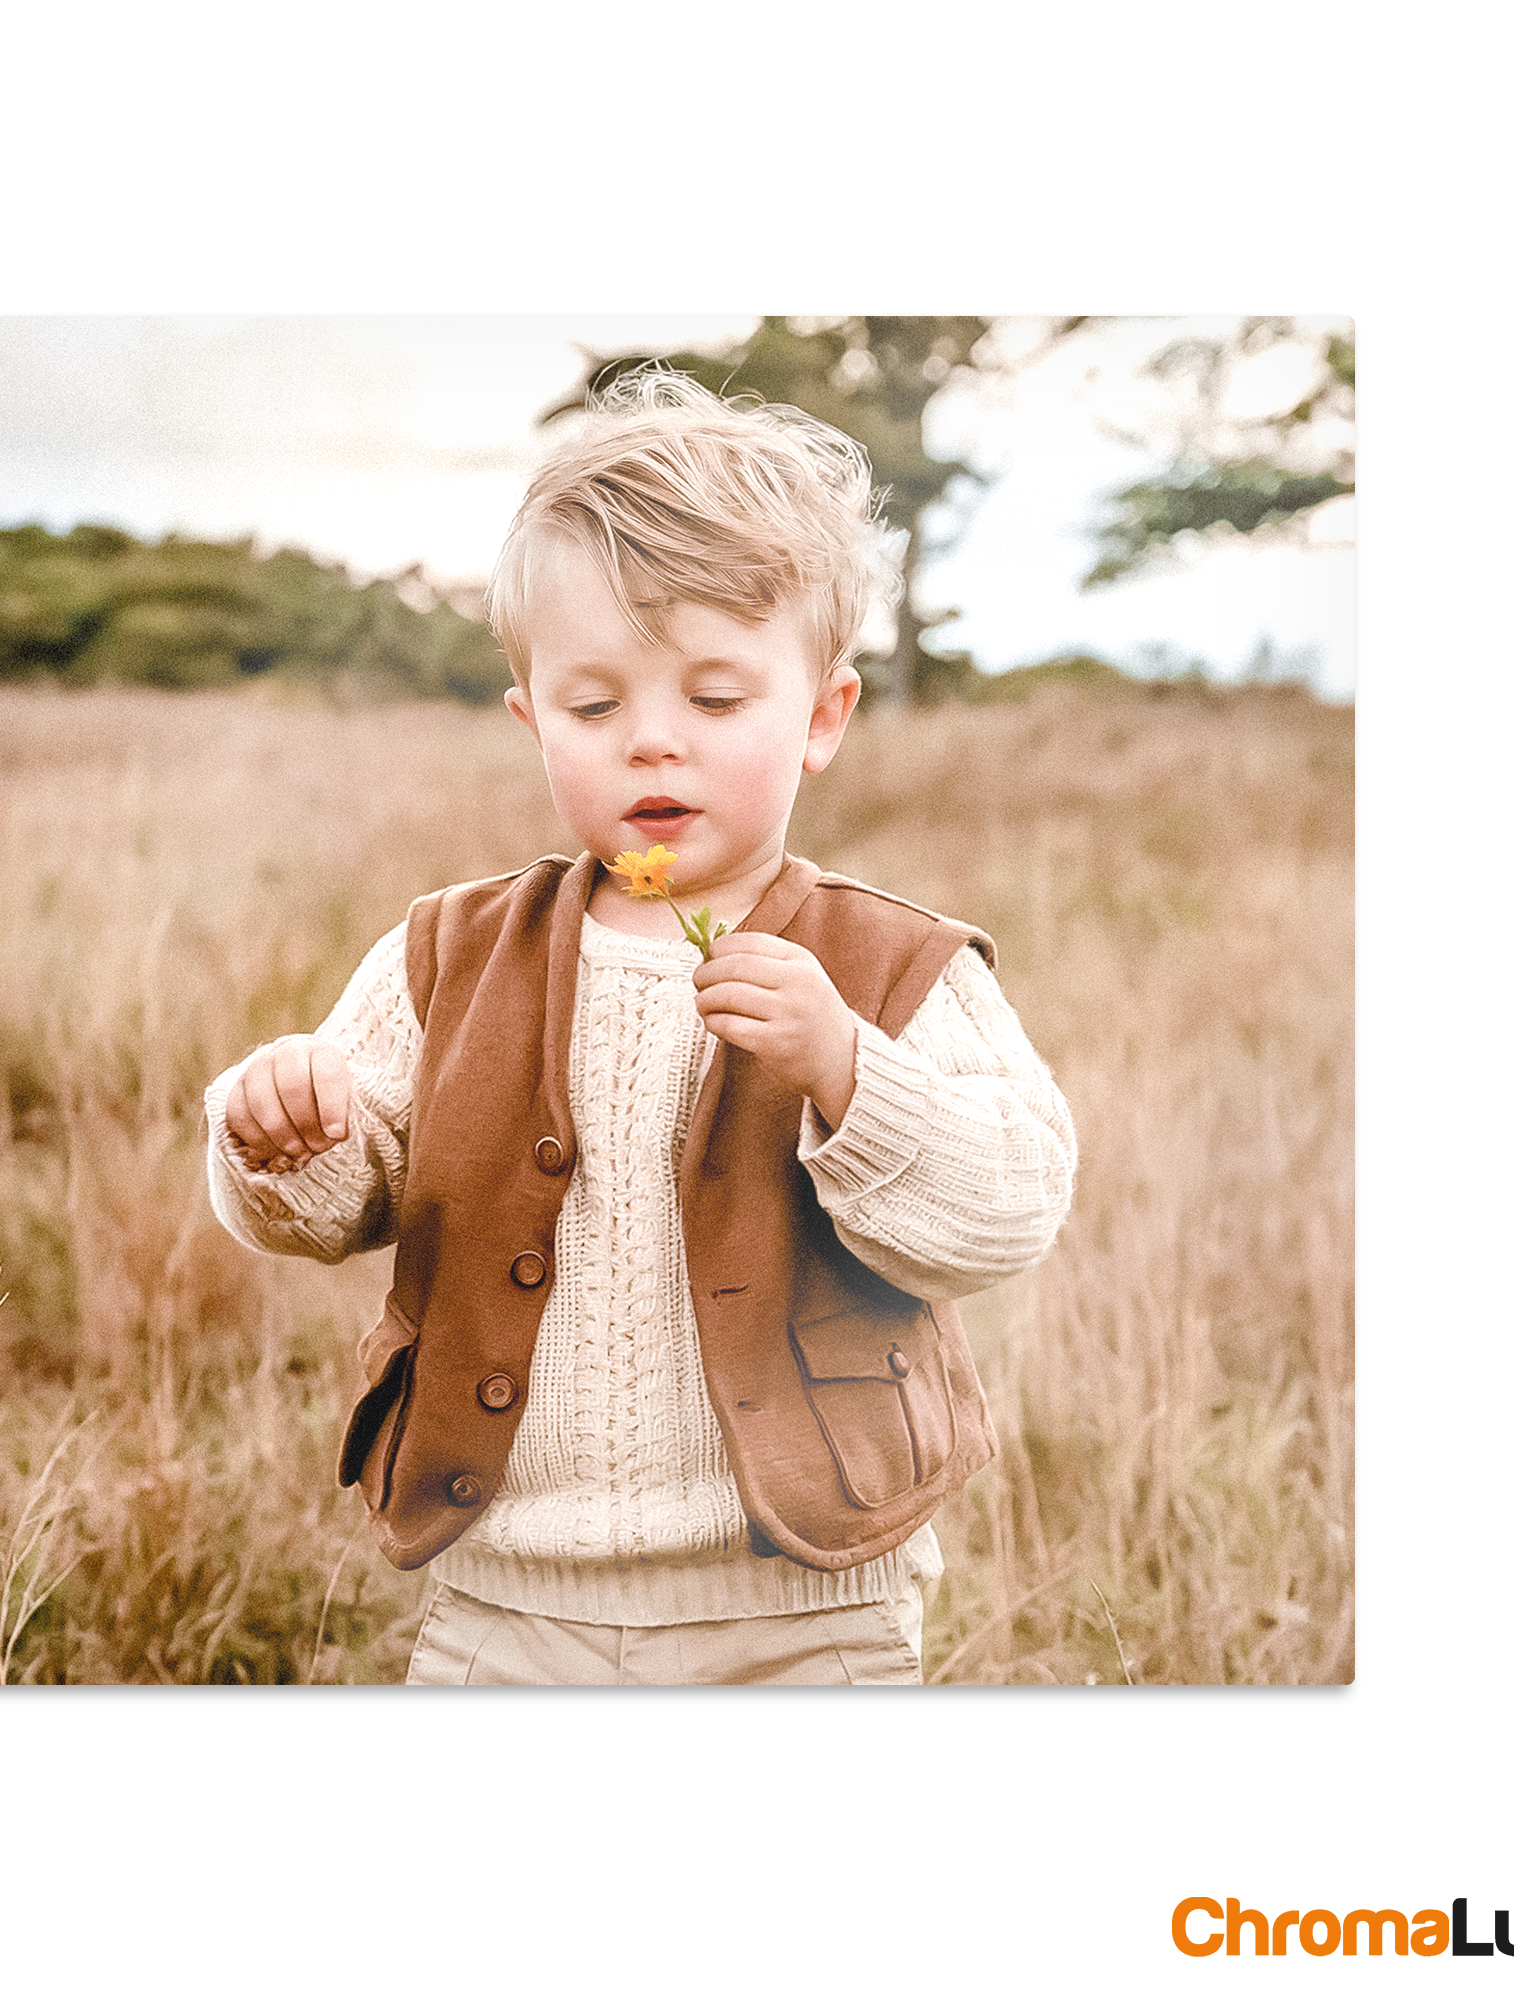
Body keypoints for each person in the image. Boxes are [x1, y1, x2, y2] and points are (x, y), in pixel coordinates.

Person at [204, 370, 1076, 1685]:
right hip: (506, 1602)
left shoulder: (895, 965)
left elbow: (1009, 1210)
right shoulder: (448, 954)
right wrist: (287, 1133)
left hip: (810, 1604)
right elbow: (342, 1196)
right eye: (595, 706)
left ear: (822, 716)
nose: (652, 746)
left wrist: (848, 1069)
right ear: (531, 719)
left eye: (715, 701)